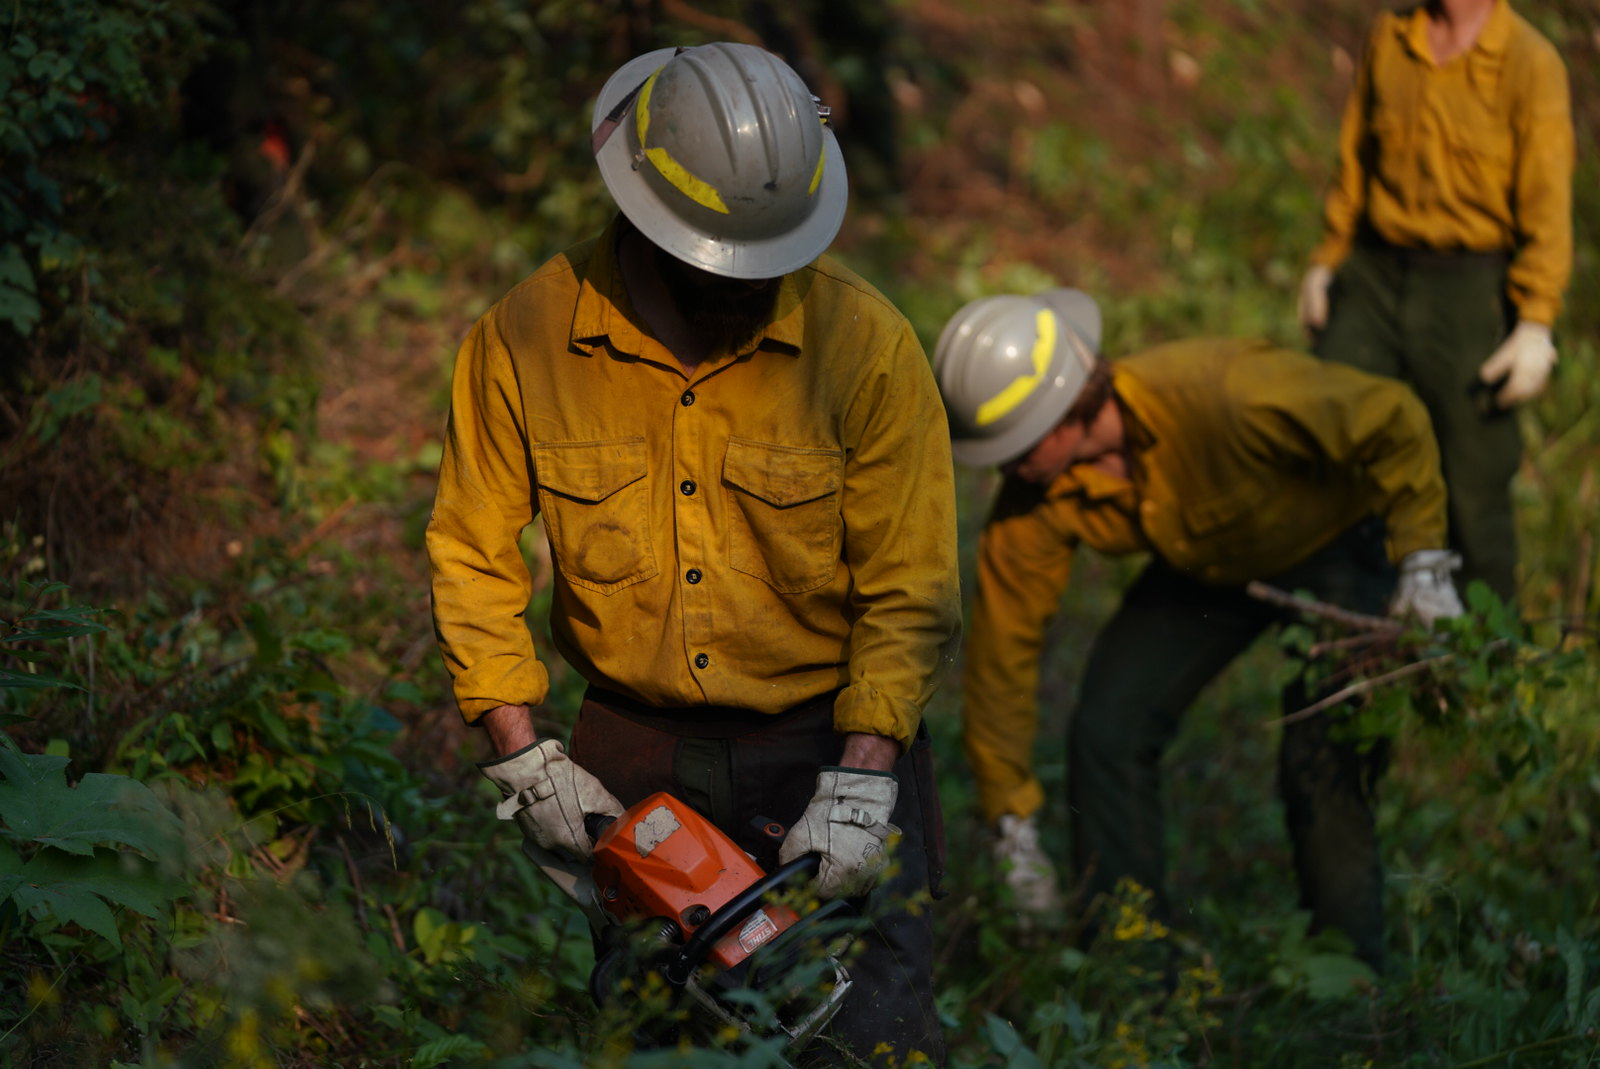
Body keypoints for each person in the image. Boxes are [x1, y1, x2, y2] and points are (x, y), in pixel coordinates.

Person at [424, 42, 961, 1066]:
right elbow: (471, 547)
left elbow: (911, 583)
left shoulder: (866, 348)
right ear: (644, 216)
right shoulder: (525, 339)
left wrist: (864, 775)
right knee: (659, 1041)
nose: (748, 288)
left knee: (866, 1040)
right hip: (634, 758)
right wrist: (522, 754)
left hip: (824, 748)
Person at [935, 289, 1464, 969]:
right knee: (1108, 728)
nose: (1001, 468)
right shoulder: (1036, 499)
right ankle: (1129, 963)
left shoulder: (1223, 391)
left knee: (1323, 756)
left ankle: (1352, 980)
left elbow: (1394, 416)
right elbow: (1002, 653)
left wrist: (1422, 562)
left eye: (1009, 448)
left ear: (1062, 416)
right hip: (1210, 563)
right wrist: (1011, 820)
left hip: (1338, 542)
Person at [1297, 0, 1574, 603]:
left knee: (1473, 484)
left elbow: (1548, 205)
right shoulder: (1391, 36)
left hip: (1470, 286)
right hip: (1374, 271)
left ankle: (1483, 675)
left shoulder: (1529, 63)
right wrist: (1326, 260)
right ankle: (1337, 656)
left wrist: (1535, 320)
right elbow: (1354, 161)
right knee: (1331, 449)